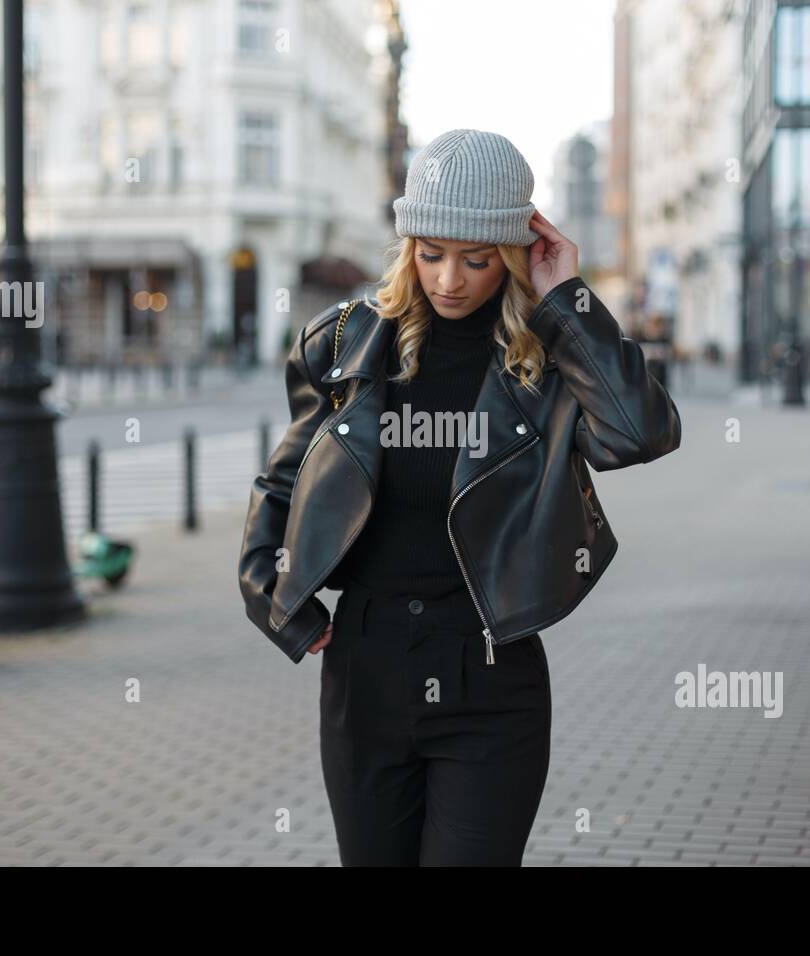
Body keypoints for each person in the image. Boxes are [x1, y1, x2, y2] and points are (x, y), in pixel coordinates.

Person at [238, 128, 682, 866]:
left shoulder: (544, 360)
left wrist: (567, 296)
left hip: (490, 677)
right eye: (431, 253)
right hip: (365, 671)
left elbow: (639, 433)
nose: (449, 279)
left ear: (511, 255)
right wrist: (272, 598)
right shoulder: (346, 344)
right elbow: (284, 481)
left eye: (477, 260)